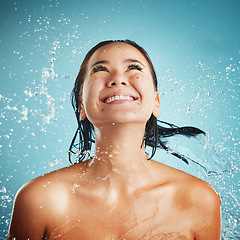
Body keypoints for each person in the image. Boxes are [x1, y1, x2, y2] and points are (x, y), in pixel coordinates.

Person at [8, 40, 221, 240]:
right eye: (100, 69)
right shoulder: (39, 199)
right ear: (81, 105)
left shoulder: (198, 199)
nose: (118, 79)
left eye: (134, 68)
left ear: (156, 102)